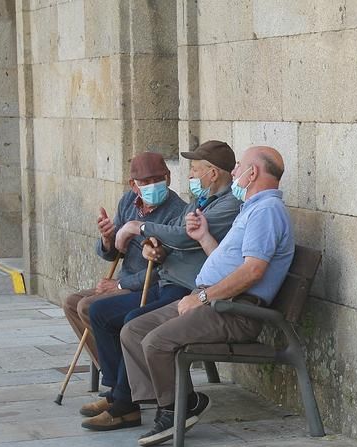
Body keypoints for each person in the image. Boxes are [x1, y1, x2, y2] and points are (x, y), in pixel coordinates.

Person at [118, 145, 294, 447]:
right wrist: (205, 238)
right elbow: (230, 265)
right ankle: (178, 402)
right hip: (216, 300)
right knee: (134, 330)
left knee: (156, 341)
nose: (235, 172)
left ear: (252, 174)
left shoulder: (267, 211)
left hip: (235, 310)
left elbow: (253, 272)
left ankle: (174, 410)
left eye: (239, 167)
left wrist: (201, 298)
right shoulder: (253, 209)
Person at [80, 141, 241, 430]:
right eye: (145, 181)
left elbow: (183, 236)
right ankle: (118, 392)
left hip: (182, 286)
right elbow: (162, 244)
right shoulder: (198, 200)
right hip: (167, 278)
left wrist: (138, 230)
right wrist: (146, 247)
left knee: (133, 322)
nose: (190, 175)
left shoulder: (227, 205)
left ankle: (125, 402)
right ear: (133, 184)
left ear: (213, 173)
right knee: (98, 312)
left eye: (194, 169)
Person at [61, 152, 187, 375]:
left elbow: (166, 269)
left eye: (158, 179)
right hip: (124, 280)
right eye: (145, 182)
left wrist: (120, 286)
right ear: (134, 185)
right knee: (72, 302)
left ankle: (122, 382)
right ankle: (118, 372)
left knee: (89, 307)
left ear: (168, 177)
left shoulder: (177, 211)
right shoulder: (128, 201)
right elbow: (114, 254)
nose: (153, 185)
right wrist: (107, 239)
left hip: (150, 286)